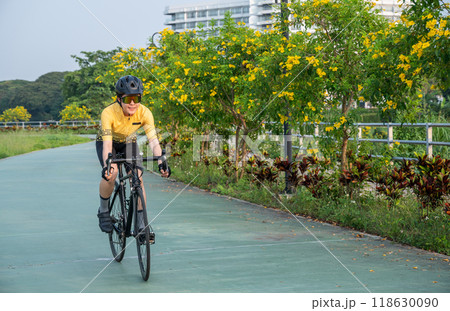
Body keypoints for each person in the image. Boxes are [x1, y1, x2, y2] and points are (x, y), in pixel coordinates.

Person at [96, 75, 170, 234]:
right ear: (118, 99)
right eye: (128, 98)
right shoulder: (108, 113)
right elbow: (108, 144)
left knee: (138, 178)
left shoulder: (145, 112)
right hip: (108, 141)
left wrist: (160, 161)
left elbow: (153, 141)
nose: (132, 103)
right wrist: (107, 165)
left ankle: (141, 225)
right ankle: (103, 212)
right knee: (112, 173)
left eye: (136, 98)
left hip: (129, 142)